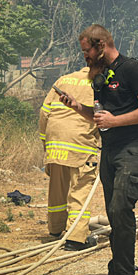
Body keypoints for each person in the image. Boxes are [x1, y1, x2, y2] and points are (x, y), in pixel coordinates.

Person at [59, 24, 138, 275]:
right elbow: (101, 116)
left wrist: (115, 121)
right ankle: (116, 273)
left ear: (101, 45)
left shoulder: (131, 69)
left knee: (120, 206)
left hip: (135, 147)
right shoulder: (100, 76)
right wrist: (77, 107)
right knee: (114, 214)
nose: (85, 57)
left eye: (87, 51)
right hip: (111, 149)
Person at [39, 66, 100, 251]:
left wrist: (46, 143)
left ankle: (56, 230)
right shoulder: (99, 83)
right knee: (81, 190)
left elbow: (44, 113)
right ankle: (75, 239)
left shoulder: (63, 80)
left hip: (55, 143)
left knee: (57, 189)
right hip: (80, 144)